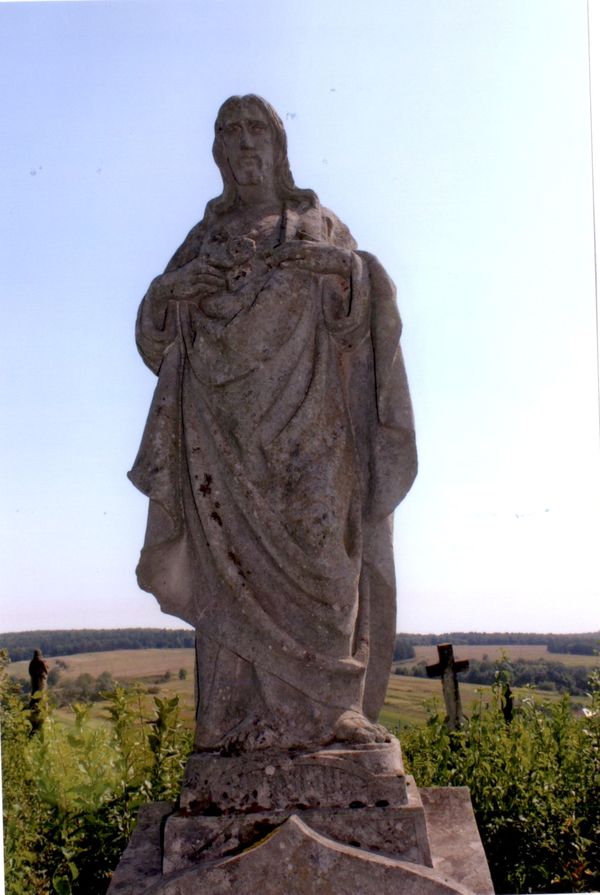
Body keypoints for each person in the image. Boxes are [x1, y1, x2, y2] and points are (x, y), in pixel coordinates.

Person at [129, 95, 417, 752]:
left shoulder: (317, 224)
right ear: (218, 153)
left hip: (314, 437)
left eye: (254, 128)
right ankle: (231, 724)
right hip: (222, 446)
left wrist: (344, 275)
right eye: (228, 132)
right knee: (229, 581)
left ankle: (332, 710)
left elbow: (365, 323)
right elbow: (157, 341)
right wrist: (172, 292)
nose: (242, 142)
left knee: (325, 561)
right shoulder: (200, 241)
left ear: (278, 146)